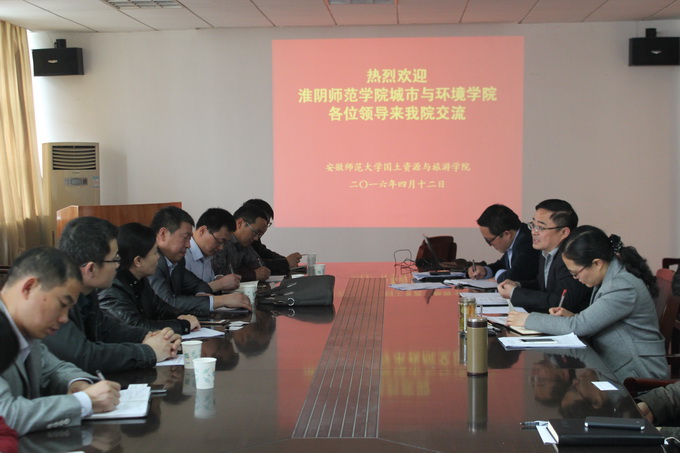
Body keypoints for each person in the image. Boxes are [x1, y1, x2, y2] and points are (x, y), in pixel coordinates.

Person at [508, 225, 668, 381]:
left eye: (575, 273)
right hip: (617, 363)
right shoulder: (610, 276)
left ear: (597, 263)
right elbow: (589, 321)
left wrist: (528, 319)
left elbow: (578, 326)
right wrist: (572, 317)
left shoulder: (622, 286)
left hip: (638, 372)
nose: (575, 278)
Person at [0, 247, 120, 435]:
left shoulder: (26, 328)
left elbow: (54, 368)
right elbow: (5, 416)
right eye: (62, 305)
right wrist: (83, 401)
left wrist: (77, 384)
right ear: (29, 287)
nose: (64, 318)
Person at [43, 216, 179, 374]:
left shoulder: (88, 293)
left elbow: (109, 329)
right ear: (91, 269)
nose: (118, 265)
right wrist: (148, 351)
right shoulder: (54, 302)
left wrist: (152, 337)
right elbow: (84, 355)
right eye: (115, 259)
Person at [99, 222, 200, 335]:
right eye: (155, 252)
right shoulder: (112, 288)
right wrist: (183, 325)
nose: (158, 257)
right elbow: (135, 327)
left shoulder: (140, 279)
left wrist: (181, 316)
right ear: (138, 261)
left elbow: (159, 308)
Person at [148, 206, 251, 315]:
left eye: (189, 239)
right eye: (185, 238)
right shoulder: (150, 262)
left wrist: (205, 297)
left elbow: (199, 285)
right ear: (163, 234)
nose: (188, 245)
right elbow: (166, 302)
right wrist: (220, 301)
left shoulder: (177, 261)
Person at [498, 199, 592, 313]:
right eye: (533, 225)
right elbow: (543, 286)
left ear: (564, 232)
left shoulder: (572, 258)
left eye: (541, 227)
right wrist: (518, 285)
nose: (533, 232)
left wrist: (515, 293)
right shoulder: (546, 251)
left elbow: (560, 302)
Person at [467, 204, 540, 282]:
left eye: (490, 240)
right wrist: (485, 271)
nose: (490, 245)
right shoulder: (516, 238)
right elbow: (503, 265)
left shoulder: (527, 243)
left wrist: (497, 277)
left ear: (507, 234)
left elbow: (514, 277)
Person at [184, 208, 241, 292]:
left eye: (225, 243)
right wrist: (219, 284)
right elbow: (184, 294)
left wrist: (217, 279)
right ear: (202, 230)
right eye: (219, 241)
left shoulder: (206, 255)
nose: (221, 248)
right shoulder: (183, 255)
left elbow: (206, 283)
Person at [212, 204, 272, 282]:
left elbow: (259, 266)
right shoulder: (221, 241)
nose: (256, 238)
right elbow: (218, 274)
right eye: (255, 232)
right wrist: (252, 274)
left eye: (259, 234)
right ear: (240, 223)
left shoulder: (245, 243)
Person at [241, 199, 302, 275]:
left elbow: (264, 253)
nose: (265, 227)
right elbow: (254, 264)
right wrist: (285, 262)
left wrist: (286, 261)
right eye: (265, 222)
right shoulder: (236, 241)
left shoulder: (254, 238)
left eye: (268, 223)